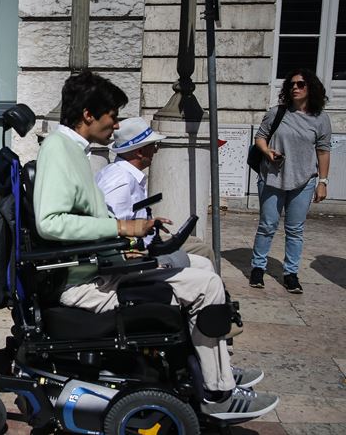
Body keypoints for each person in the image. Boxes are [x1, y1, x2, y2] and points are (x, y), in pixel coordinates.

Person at [33, 70, 277, 421]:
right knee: (206, 285)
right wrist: (120, 227)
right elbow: (50, 222)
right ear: (88, 114)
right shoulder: (60, 151)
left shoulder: (74, 150)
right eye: (112, 116)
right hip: (87, 285)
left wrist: (132, 233)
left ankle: (216, 369)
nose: (115, 127)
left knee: (203, 267)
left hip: (101, 268)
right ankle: (217, 391)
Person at [95, 116, 215, 272]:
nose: (156, 150)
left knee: (197, 243)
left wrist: (150, 223)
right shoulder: (121, 181)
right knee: (204, 253)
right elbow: (112, 226)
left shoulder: (123, 174)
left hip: (144, 239)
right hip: (136, 249)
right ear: (139, 152)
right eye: (153, 146)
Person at [249, 68, 331, 293]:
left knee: (295, 230)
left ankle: (291, 274)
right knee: (267, 225)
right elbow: (260, 137)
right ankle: (258, 268)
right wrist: (267, 152)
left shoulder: (320, 119)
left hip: (304, 181)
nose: (295, 87)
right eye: (292, 84)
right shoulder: (276, 113)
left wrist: (322, 182)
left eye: (301, 84)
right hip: (272, 178)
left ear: (311, 88)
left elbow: (323, 151)